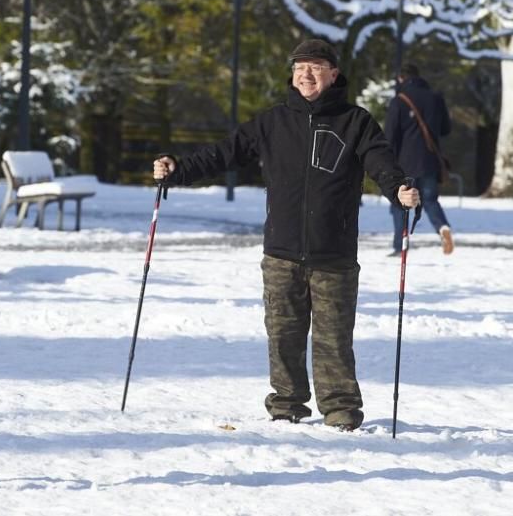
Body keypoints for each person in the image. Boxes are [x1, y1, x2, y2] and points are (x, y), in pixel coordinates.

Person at [153, 38, 419, 430]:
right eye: (299, 68)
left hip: (334, 253)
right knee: (282, 336)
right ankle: (287, 404)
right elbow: (224, 153)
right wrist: (177, 169)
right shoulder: (272, 122)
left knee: (333, 340)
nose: (306, 75)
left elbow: (381, 162)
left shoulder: (356, 121)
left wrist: (399, 189)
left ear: (333, 73)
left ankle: (341, 411)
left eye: (314, 67)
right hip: (281, 251)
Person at [384, 63, 454, 256]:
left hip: (404, 164)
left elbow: (390, 135)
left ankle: (400, 246)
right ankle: (443, 228)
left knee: (400, 203)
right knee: (430, 200)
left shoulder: (399, 101)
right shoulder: (435, 99)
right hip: (430, 161)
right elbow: (446, 129)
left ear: (401, 78)